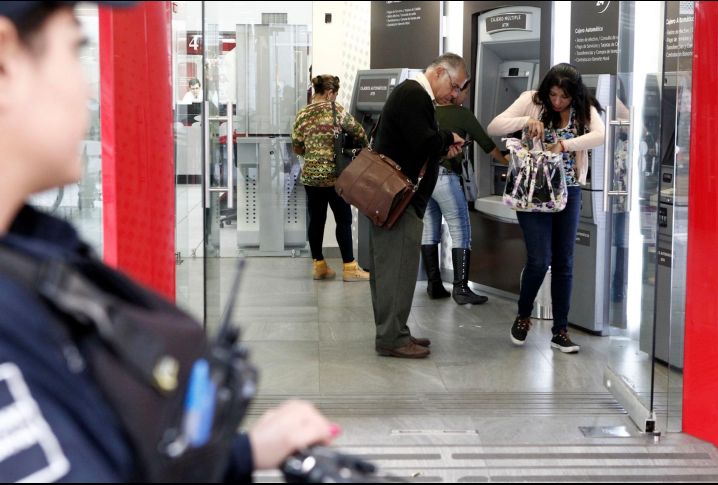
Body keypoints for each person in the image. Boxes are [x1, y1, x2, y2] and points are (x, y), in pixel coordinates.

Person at [0, 2, 336, 481]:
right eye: (75, 50)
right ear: (6, 62)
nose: (90, 93)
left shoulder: (33, 260)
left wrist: (238, 455)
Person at [487, 63, 605, 354]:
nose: (557, 102)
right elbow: (493, 126)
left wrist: (566, 145)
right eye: (553, 94)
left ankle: (560, 331)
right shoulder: (532, 100)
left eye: (564, 97)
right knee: (540, 259)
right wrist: (526, 120)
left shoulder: (584, 108)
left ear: (573, 95)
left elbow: (600, 136)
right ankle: (523, 315)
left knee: (564, 261)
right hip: (533, 191)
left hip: (569, 191)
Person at [370, 53, 466, 359]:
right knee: (397, 271)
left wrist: (439, 146)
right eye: (454, 86)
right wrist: (446, 137)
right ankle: (393, 339)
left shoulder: (412, 94)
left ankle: (395, 331)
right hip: (399, 200)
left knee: (392, 270)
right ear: (438, 72)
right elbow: (423, 141)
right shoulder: (414, 94)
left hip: (397, 198)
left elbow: (416, 145)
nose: (455, 95)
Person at [422, 82, 509, 305]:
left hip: (424, 179)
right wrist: (507, 161)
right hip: (445, 177)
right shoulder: (462, 114)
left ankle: (434, 284)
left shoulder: (428, 109)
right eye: (465, 91)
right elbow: (486, 143)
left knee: (429, 230)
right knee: (461, 230)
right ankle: (461, 289)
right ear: (455, 92)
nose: (465, 96)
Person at [292, 75, 370, 282]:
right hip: (335, 177)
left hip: (311, 177)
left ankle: (319, 266)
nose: (335, 97)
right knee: (343, 220)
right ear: (329, 93)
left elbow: (297, 146)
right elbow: (360, 133)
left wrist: (312, 153)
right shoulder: (336, 111)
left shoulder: (302, 113)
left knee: (316, 221)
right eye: (334, 94)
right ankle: (350, 268)